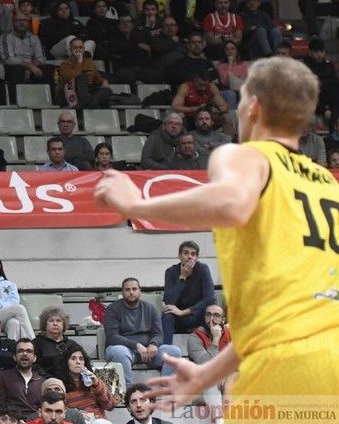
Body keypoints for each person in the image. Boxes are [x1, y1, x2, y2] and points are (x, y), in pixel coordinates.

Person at [98, 56, 339, 414]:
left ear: (253, 106)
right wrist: (209, 373)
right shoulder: (327, 185)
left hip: (283, 363)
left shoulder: (247, 156)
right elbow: (287, 313)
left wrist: (137, 205)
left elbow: (232, 205)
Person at [99, 278, 182, 389]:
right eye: (127, 289)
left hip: (147, 351)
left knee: (175, 351)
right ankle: (129, 392)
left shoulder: (150, 309)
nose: (131, 292)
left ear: (140, 291)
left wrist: (153, 344)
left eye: (134, 289)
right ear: (122, 292)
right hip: (124, 349)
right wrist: (136, 345)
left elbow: (158, 334)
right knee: (120, 352)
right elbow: (112, 336)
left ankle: (164, 387)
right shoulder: (112, 309)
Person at [160, 240, 215, 345]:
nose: (190, 257)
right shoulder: (171, 271)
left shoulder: (203, 269)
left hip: (198, 314)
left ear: (197, 258)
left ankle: (213, 349)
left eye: (193, 254)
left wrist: (184, 311)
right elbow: (169, 301)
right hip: (179, 317)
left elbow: (209, 299)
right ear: (179, 256)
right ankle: (167, 351)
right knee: (167, 314)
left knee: (212, 311)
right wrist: (182, 277)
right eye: (186, 253)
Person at [0, 339, 43, 420]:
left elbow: (44, 410)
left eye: (29, 351)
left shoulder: (42, 381)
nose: (24, 354)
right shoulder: (1, 377)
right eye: (20, 351)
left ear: (34, 358)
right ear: (14, 357)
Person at [58, 344, 111, 424]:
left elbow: (109, 406)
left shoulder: (94, 381)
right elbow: (59, 411)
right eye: (73, 359)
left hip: (97, 420)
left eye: (81, 359)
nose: (78, 362)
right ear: (66, 362)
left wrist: (97, 384)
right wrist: (78, 414)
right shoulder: (60, 385)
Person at [34, 306, 76, 377]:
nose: (55, 324)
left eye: (58, 320)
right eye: (51, 321)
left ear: (64, 324)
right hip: (46, 383)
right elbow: (34, 367)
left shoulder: (72, 344)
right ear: (45, 324)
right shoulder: (36, 344)